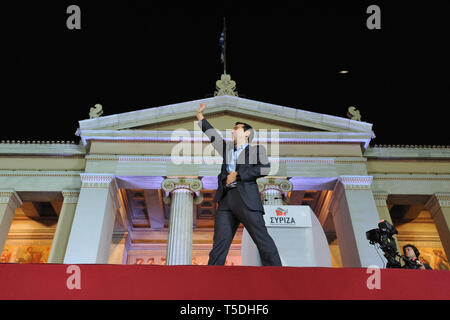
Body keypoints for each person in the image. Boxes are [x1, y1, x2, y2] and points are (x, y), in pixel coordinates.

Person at [196, 103, 282, 266]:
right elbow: (213, 136)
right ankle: (211, 281)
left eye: (237, 128)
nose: (233, 131)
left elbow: (265, 169)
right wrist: (200, 117)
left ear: (247, 133)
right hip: (226, 200)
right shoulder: (227, 149)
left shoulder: (256, 150)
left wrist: (239, 175)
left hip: (247, 200)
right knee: (219, 245)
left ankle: (277, 274)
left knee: (262, 240)